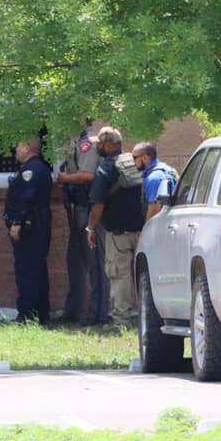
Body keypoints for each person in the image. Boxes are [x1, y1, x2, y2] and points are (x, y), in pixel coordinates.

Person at [86, 127, 146, 327]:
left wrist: (91, 228)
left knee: (119, 275)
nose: (97, 147)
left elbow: (98, 204)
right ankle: (147, 318)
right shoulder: (135, 162)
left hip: (118, 233)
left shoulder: (105, 169)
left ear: (109, 143)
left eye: (100, 144)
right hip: (144, 229)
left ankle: (121, 321)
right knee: (144, 275)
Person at [53, 120, 108, 325]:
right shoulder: (79, 142)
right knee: (76, 260)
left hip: (89, 208)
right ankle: (75, 310)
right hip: (79, 208)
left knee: (95, 260)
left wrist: (65, 178)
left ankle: (99, 313)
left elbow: (87, 175)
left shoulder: (88, 143)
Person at [4, 138, 53, 325]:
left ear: (28, 148)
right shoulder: (34, 168)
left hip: (30, 228)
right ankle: (41, 314)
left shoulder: (31, 170)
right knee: (36, 269)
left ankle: (28, 315)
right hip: (35, 227)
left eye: (19, 145)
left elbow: (27, 198)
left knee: (27, 271)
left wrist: (17, 222)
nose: (16, 148)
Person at [134, 142, 178, 221]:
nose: (133, 162)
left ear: (145, 158)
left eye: (134, 157)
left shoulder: (153, 178)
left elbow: (154, 210)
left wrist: (146, 231)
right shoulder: (168, 169)